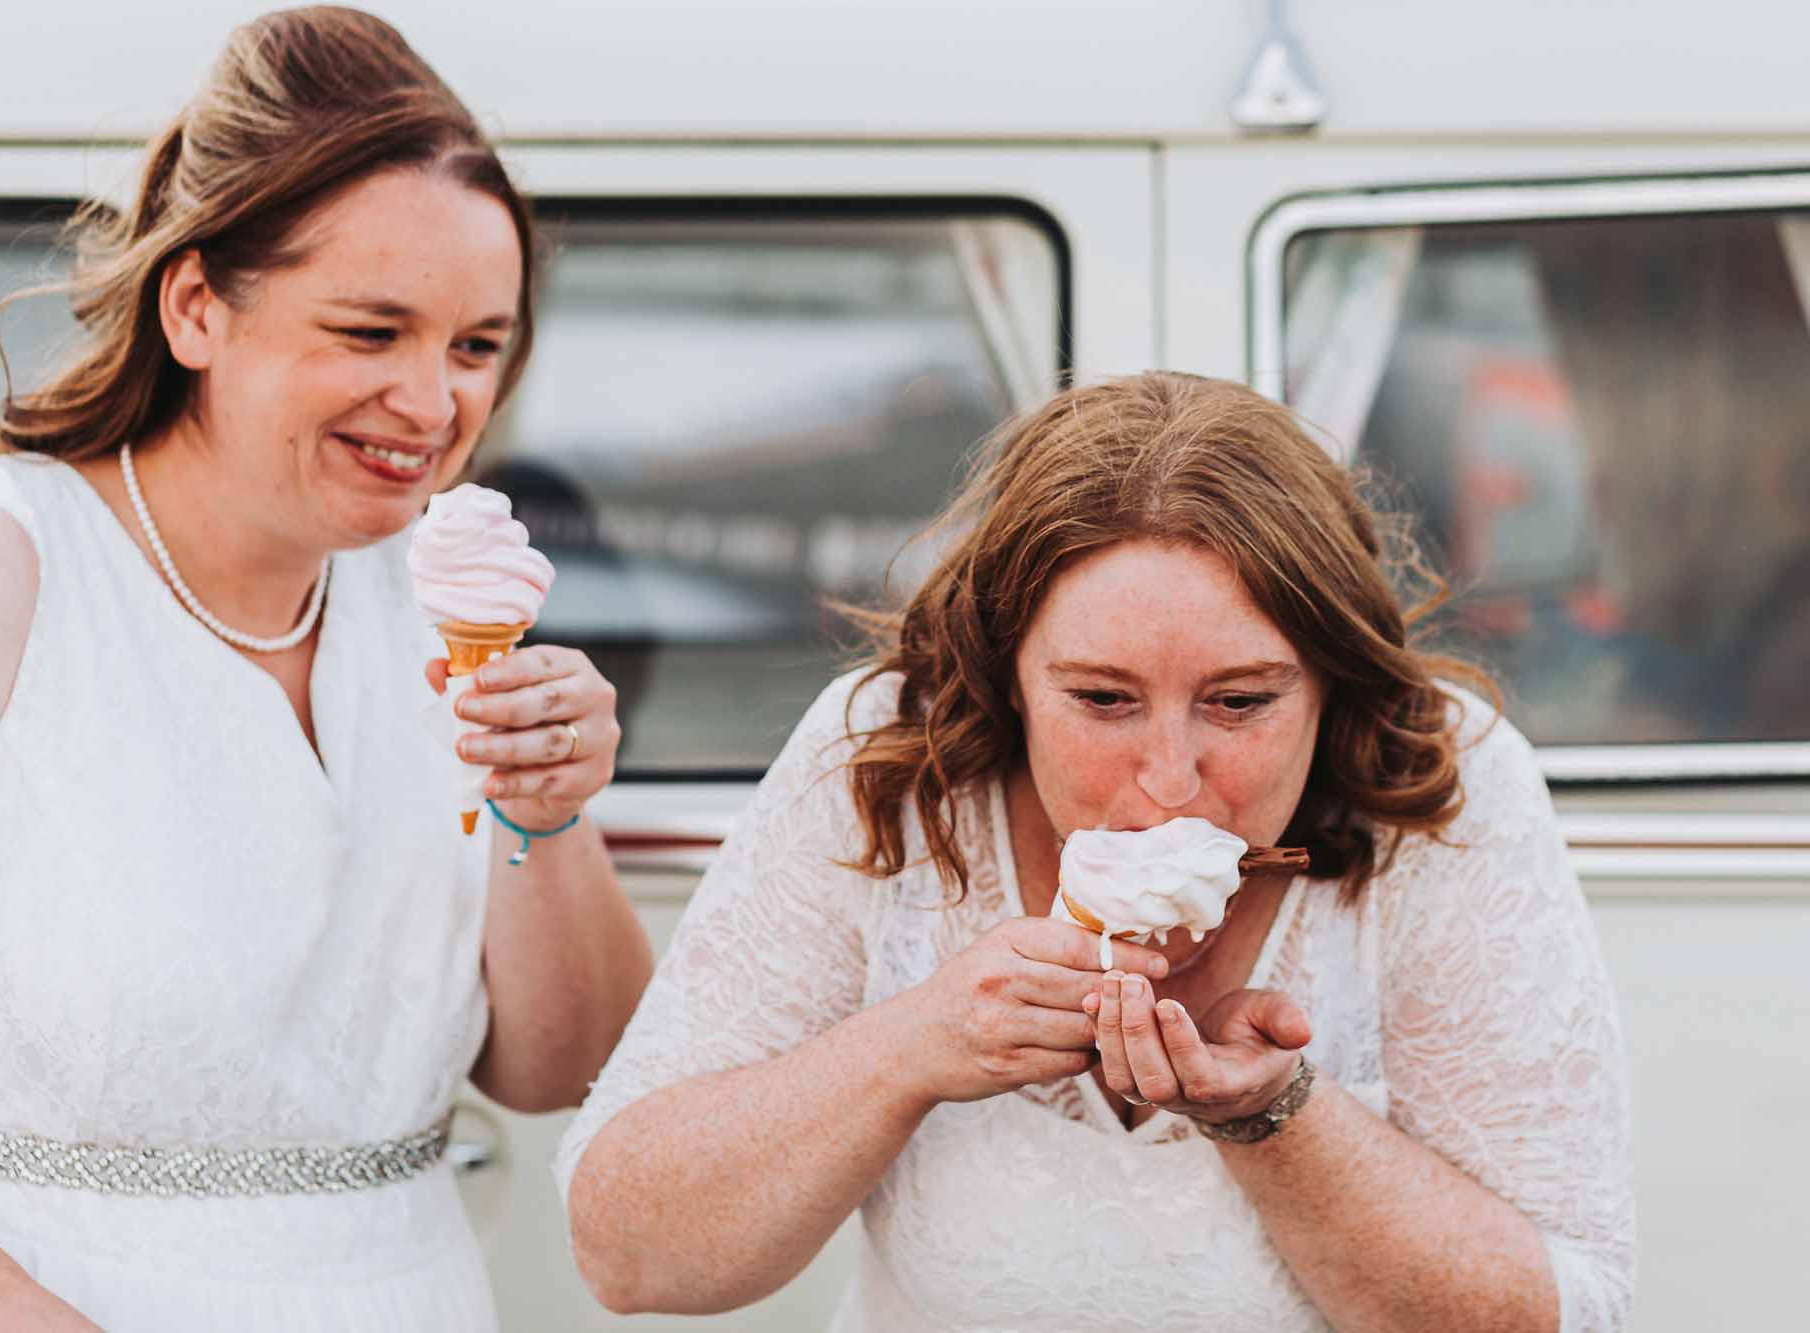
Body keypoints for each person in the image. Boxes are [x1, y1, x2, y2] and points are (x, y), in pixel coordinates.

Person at [0, 9, 651, 1330]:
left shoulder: (441, 606)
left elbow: (563, 1065)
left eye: (476, 346)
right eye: (373, 333)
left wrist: (545, 806)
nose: (435, 406)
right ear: (198, 307)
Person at [559, 372, 1635, 1331]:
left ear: (1329, 683)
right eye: (1101, 699)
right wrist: (911, 1047)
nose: (1169, 778)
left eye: (1241, 701)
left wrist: (1275, 1119)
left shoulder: (1444, 785)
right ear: (1004, 673)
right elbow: (626, 1254)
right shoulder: (888, 757)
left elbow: (1561, 1311)